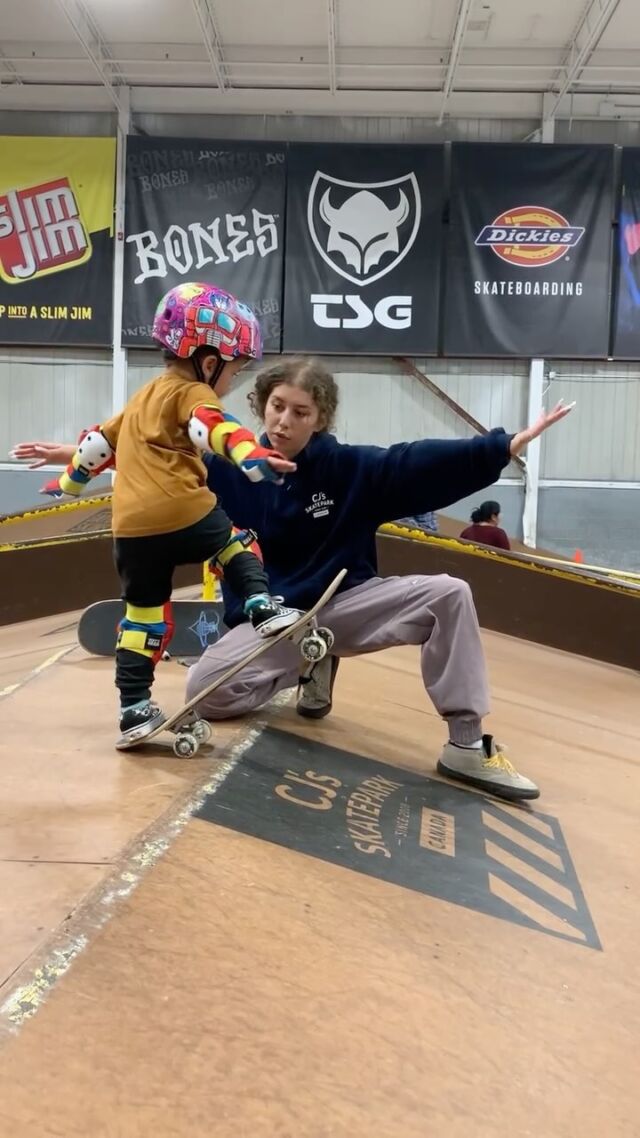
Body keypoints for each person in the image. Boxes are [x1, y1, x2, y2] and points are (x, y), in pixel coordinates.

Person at [11, 357, 575, 801]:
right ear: (262, 405)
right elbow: (156, 455)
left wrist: (498, 448)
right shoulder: (228, 465)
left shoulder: (352, 469)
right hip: (275, 622)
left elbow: (414, 461)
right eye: (277, 406)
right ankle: (308, 662)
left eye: (300, 412)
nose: (284, 421)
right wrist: (74, 457)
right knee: (204, 695)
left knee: (450, 593)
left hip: (343, 603)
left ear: (319, 419)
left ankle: (466, 743)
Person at [13, 283, 301, 745]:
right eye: (235, 370)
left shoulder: (140, 401)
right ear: (209, 363)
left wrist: (68, 483)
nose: (233, 381)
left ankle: (133, 710)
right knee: (235, 543)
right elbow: (211, 427)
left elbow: (97, 447)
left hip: (129, 533)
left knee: (143, 620)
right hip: (183, 511)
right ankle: (261, 607)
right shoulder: (192, 393)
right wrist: (250, 455)